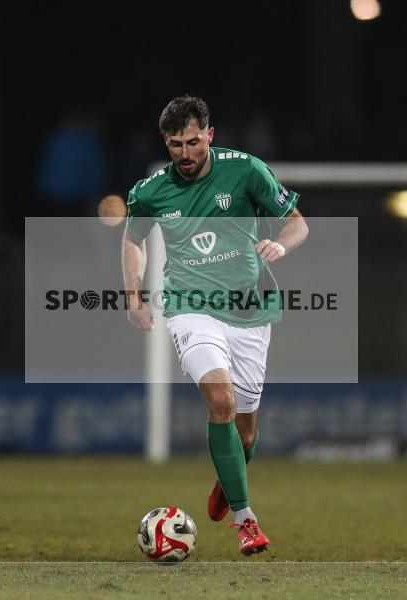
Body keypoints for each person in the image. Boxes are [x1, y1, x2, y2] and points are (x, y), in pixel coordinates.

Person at [121, 96, 308, 555]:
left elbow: (298, 224)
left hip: (250, 309)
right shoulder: (151, 192)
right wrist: (134, 294)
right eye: (174, 144)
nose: (184, 153)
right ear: (165, 142)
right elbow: (133, 240)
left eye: (191, 142)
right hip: (190, 305)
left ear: (209, 134)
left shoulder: (246, 170)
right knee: (220, 399)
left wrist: (280, 247)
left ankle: (229, 478)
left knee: (245, 431)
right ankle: (247, 522)